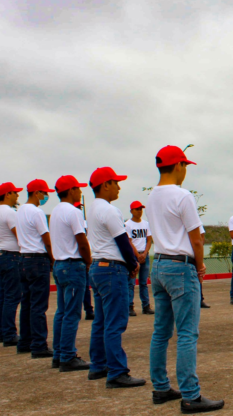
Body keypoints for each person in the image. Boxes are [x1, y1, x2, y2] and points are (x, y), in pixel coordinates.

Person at [147, 145, 224, 412]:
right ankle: (191, 395)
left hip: (158, 265)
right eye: (185, 166)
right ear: (178, 166)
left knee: (161, 332)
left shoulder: (152, 197)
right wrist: (200, 267)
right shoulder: (182, 196)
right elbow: (196, 239)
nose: (185, 171)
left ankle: (160, 387)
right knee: (187, 333)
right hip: (181, 267)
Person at [86, 166, 145, 388]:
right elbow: (122, 241)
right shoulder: (110, 210)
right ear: (105, 185)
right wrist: (132, 265)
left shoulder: (92, 209)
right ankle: (117, 372)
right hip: (112, 269)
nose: (118, 187)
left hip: (98, 267)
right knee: (115, 323)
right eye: (115, 183)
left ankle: (98, 365)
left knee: (101, 321)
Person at [50, 175, 93, 372]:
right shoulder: (74, 212)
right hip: (73, 264)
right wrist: (89, 261)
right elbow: (82, 241)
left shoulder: (56, 212)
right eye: (78, 188)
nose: (80, 191)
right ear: (71, 191)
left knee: (61, 311)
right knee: (73, 313)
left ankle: (58, 354)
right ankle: (68, 356)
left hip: (59, 264)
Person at [16, 179, 55, 359]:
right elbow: (46, 238)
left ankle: (25, 341)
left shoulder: (20, 210)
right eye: (44, 193)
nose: (45, 196)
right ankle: (39, 344)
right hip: (38, 259)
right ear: (36, 193)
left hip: (24, 258)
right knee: (39, 305)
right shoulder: (37, 212)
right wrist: (52, 258)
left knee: (27, 303)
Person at [0, 182, 23, 348]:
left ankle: (3, 332)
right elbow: (19, 235)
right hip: (12, 256)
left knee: (3, 296)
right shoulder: (10, 213)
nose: (17, 196)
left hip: (1, 255)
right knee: (12, 296)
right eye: (15, 193)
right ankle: (10, 333)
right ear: (8, 194)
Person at [125, 201, 154, 316]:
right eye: (137, 209)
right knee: (131, 283)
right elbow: (129, 241)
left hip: (144, 255)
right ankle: (130, 306)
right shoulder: (128, 225)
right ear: (131, 211)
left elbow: (149, 239)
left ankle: (146, 306)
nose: (139, 211)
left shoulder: (146, 224)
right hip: (133, 256)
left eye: (140, 209)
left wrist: (145, 253)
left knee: (143, 283)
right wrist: (137, 255)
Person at [74, 201, 94, 320]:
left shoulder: (85, 223)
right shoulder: (74, 220)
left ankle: (88, 309)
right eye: (77, 207)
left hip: (87, 254)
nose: (79, 209)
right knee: (79, 287)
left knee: (86, 287)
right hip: (78, 256)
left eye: (80, 207)